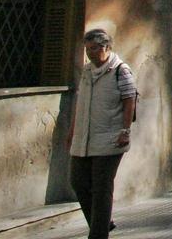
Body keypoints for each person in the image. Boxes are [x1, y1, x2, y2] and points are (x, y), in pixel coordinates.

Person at [68, 28, 137, 239]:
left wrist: (125, 131)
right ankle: (102, 223)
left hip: (111, 138)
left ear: (106, 47)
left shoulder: (120, 70)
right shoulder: (87, 71)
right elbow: (80, 102)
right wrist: (72, 130)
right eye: (87, 49)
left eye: (94, 48)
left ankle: (97, 235)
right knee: (78, 181)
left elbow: (129, 101)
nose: (90, 53)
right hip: (84, 138)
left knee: (101, 187)